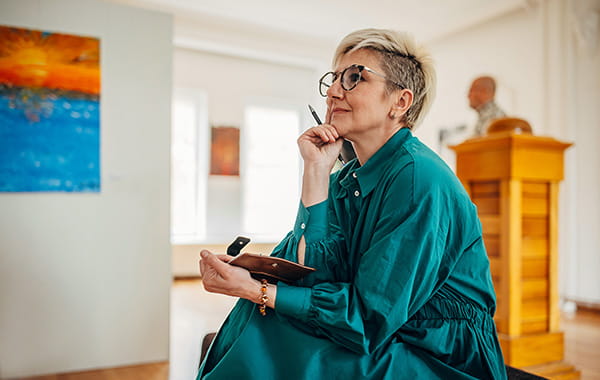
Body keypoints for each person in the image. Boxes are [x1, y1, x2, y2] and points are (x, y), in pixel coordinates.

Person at [197, 28, 507, 379]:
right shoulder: (346, 178)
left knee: (268, 322)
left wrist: (257, 289)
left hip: (437, 348)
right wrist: (315, 170)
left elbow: (368, 319)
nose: (332, 92)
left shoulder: (418, 178)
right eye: (332, 80)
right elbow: (314, 278)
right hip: (387, 329)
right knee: (259, 315)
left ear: (400, 102)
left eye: (354, 77)